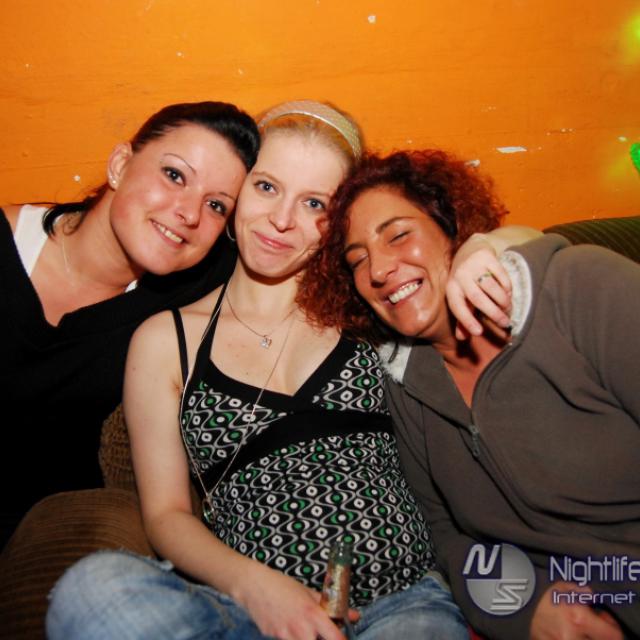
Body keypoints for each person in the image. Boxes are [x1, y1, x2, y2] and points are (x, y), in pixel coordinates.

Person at [46, 102, 471, 640]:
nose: (282, 220)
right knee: (92, 589)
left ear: (340, 220)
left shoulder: (372, 305)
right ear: (238, 191)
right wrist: (255, 588)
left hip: (403, 602)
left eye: (314, 203)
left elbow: (481, 268)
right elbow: (167, 515)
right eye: (267, 187)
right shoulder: (166, 341)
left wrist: (490, 248)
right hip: (248, 614)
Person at [300, 149, 640, 640]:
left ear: (454, 229)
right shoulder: (404, 384)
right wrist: (526, 606)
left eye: (399, 235)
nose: (379, 269)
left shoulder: (576, 288)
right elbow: (448, 537)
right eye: (358, 260)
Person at [0, 101, 260, 547]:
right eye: (174, 175)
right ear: (120, 165)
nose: (190, 213)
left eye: (217, 205)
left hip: (50, 542)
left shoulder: (191, 285)